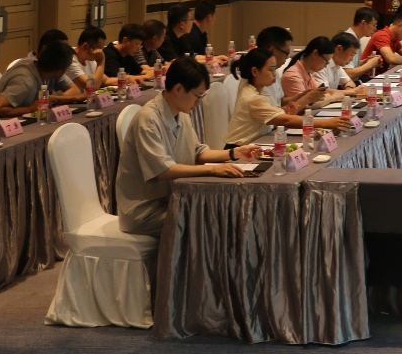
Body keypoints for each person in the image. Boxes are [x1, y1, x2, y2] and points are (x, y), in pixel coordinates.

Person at [116, 58, 260, 236]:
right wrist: (212, 170)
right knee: (210, 220)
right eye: (198, 96)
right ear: (178, 89)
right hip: (145, 211)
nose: (198, 102)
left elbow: (197, 152)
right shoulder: (148, 119)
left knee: (224, 210)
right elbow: (162, 171)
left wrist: (233, 153)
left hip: (174, 199)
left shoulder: (181, 112)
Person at [225, 48, 354, 147]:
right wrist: (328, 123)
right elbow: (285, 121)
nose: (274, 74)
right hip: (238, 148)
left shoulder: (255, 91)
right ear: (255, 71)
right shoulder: (252, 97)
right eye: (271, 70)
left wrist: (288, 110)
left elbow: (273, 117)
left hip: (253, 144)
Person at [0, 41, 80, 116]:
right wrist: (29, 109)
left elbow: (75, 90)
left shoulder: (44, 68)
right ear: (60, 71)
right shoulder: (24, 82)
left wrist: (56, 98)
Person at [281, 33, 341, 112]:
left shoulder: (307, 72)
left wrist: (328, 97)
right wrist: (332, 98)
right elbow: (304, 106)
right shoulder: (293, 75)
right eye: (326, 61)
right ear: (315, 53)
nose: (326, 65)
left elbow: (323, 94)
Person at [70, 26, 108, 91]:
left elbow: (106, 80)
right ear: (85, 46)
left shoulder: (90, 58)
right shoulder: (69, 59)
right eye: (99, 49)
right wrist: (101, 62)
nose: (101, 52)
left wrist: (126, 78)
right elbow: (92, 86)